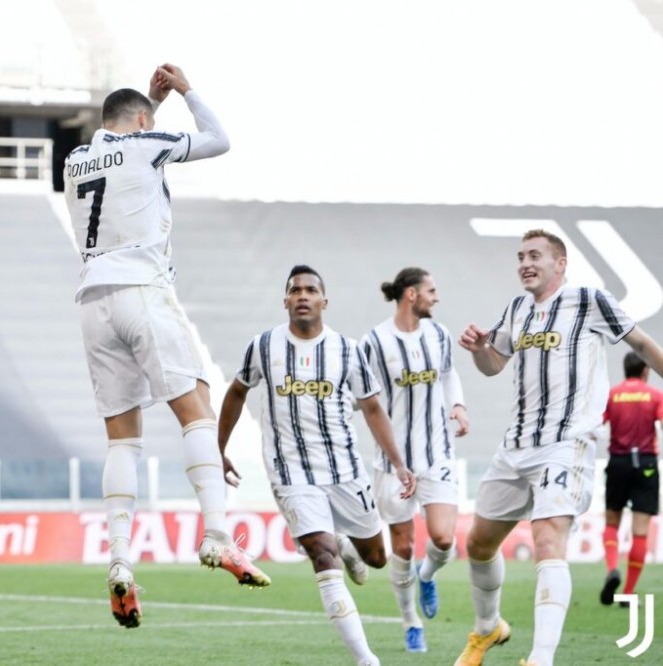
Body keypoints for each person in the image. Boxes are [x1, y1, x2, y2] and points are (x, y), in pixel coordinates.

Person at [63, 63, 270, 629]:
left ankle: (119, 561)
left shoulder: (75, 159)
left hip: (92, 301)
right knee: (196, 408)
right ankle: (218, 534)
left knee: (122, 439)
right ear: (141, 122)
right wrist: (184, 91)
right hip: (142, 288)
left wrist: (152, 107)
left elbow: (124, 148)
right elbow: (218, 140)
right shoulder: (146, 142)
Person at [455, 229, 663, 666]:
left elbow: (641, 344)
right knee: (478, 544)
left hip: (566, 444)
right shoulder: (517, 308)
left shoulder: (589, 300)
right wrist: (478, 350)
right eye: (521, 257)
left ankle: (541, 658)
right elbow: (494, 365)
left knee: (548, 539)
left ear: (560, 263)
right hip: (516, 446)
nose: (525, 264)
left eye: (535, 255)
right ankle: (488, 627)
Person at [218, 264, 416, 666]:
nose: (303, 296)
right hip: (291, 473)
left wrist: (398, 463)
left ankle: (347, 544)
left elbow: (372, 407)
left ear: (325, 301)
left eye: (310, 290)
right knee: (321, 555)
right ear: (285, 301)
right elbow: (237, 392)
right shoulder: (263, 347)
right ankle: (366, 659)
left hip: (345, 470)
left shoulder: (347, 350)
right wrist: (217, 449)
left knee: (377, 558)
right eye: (295, 291)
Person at [360, 268, 469, 654]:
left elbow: (449, 374)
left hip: (437, 454)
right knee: (403, 547)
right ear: (411, 294)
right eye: (431, 290)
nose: (436, 297)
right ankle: (411, 623)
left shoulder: (439, 335)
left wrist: (458, 405)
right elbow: (364, 398)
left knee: (444, 539)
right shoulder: (374, 342)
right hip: (393, 463)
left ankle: (427, 574)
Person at [599, 351, 662, 606]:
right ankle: (628, 591)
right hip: (646, 464)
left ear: (625, 369)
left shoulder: (612, 395)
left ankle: (612, 568)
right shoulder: (655, 395)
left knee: (612, 521)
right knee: (640, 531)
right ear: (645, 371)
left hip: (618, 463)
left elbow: (596, 425)